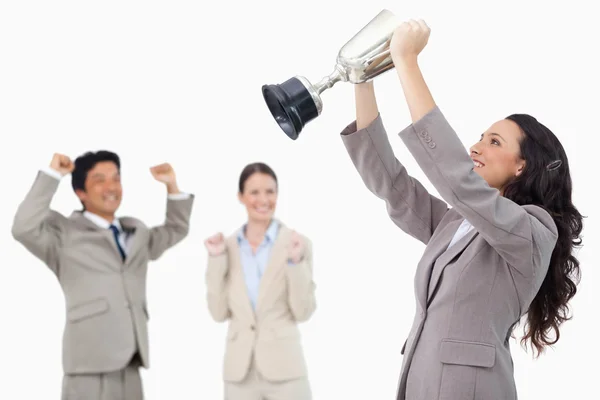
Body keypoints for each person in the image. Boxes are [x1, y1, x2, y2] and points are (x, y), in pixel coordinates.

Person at [339, 19, 583, 400]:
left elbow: (459, 183)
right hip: (420, 383)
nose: (476, 147)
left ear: (522, 165)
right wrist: (362, 79)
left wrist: (407, 62)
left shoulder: (534, 231)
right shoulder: (458, 222)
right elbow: (393, 186)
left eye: (495, 141)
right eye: (480, 137)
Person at [11, 151, 194, 400]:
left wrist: (171, 185)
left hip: (131, 360)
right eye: (99, 180)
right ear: (80, 192)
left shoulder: (136, 232)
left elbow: (176, 229)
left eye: (116, 178)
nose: (111, 187)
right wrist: (53, 175)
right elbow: (23, 227)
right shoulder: (63, 235)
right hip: (88, 365)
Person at [204, 162, 316, 400]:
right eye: (254, 192)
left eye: (270, 191)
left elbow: (303, 311)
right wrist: (216, 259)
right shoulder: (227, 246)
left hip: (286, 371)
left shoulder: (297, 244)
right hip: (239, 375)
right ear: (241, 196)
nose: (263, 199)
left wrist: (295, 263)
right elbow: (218, 313)